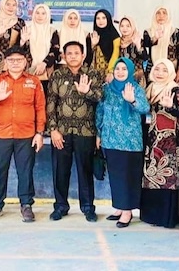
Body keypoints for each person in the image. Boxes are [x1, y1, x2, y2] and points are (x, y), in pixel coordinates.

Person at [0, 47, 46, 223]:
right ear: (6, 62)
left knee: (25, 171)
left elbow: (40, 108)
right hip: (2, 134)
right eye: (11, 60)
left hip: (27, 134)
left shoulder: (34, 81)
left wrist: (40, 133)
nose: (15, 63)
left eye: (19, 60)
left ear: (25, 62)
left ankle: (26, 205)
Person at [46, 41, 104, 222]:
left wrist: (87, 92)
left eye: (76, 53)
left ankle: (88, 208)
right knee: (60, 171)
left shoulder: (93, 74)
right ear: (63, 56)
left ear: (83, 55)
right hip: (61, 132)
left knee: (85, 171)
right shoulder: (57, 75)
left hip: (86, 131)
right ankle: (60, 206)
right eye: (69, 53)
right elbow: (51, 103)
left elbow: (100, 98)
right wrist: (53, 130)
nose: (72, 56)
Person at [96, 57, 150, 228]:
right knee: (115, 176)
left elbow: (145, 108)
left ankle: (127, 211)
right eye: (117, 69)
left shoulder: (135, 88)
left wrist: (132, 100)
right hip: (110, 139)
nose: (120, 72)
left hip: (130, 141)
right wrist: (99, 133)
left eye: (124, 69)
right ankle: (119, 206)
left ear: (130, 71)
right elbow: (100, 111)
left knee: (128, 176)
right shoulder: (107, 89)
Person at [140, 59, 179, 228]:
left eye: (164, 70)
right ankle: (152, 216)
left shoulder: (174, 89)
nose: (160, 73)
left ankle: (166, 217)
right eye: (157, 69)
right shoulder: (149, 88)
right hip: (152, 138)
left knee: (168, 177)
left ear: (171, 73)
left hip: (169, 141)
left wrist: (170, 107)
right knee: (151, 176)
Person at [25, 4, 60, 92]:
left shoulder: (52, 31)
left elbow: (55, 50)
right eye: (37, 13)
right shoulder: (26, 30)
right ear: (33, 14)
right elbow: (20, 51)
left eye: (43, 13)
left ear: (47, 15)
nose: (40, 16)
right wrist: (22, 41)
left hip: (47, 70)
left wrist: (44, 63)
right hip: (28, 70)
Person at [147, 6, 179, 76]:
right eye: (158, 13)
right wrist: (155, 38)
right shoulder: (149, 32)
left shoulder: (175, 32)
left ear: (168, 16)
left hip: (172, 69)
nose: (161, 16)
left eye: (164, 13)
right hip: (153, 68)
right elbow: (146, 45)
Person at [88, 9, 120, 79]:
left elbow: (115, 54)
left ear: (108, 19)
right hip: (95, 75)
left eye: (103, 18)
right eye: (98, 18)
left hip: (111, 73)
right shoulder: (93, 36)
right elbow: (88, 57)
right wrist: (93, 45)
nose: (101, 21)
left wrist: (110, 71)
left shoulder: (115, 36)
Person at [117, 16, 148, 88]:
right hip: (121, 76)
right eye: (122, 26)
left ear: (132, 27)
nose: (124, 28)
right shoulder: (118, 42)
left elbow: (145, 57)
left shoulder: (138, 40)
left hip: (137, 77)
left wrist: (138, 45)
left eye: (128, 26)